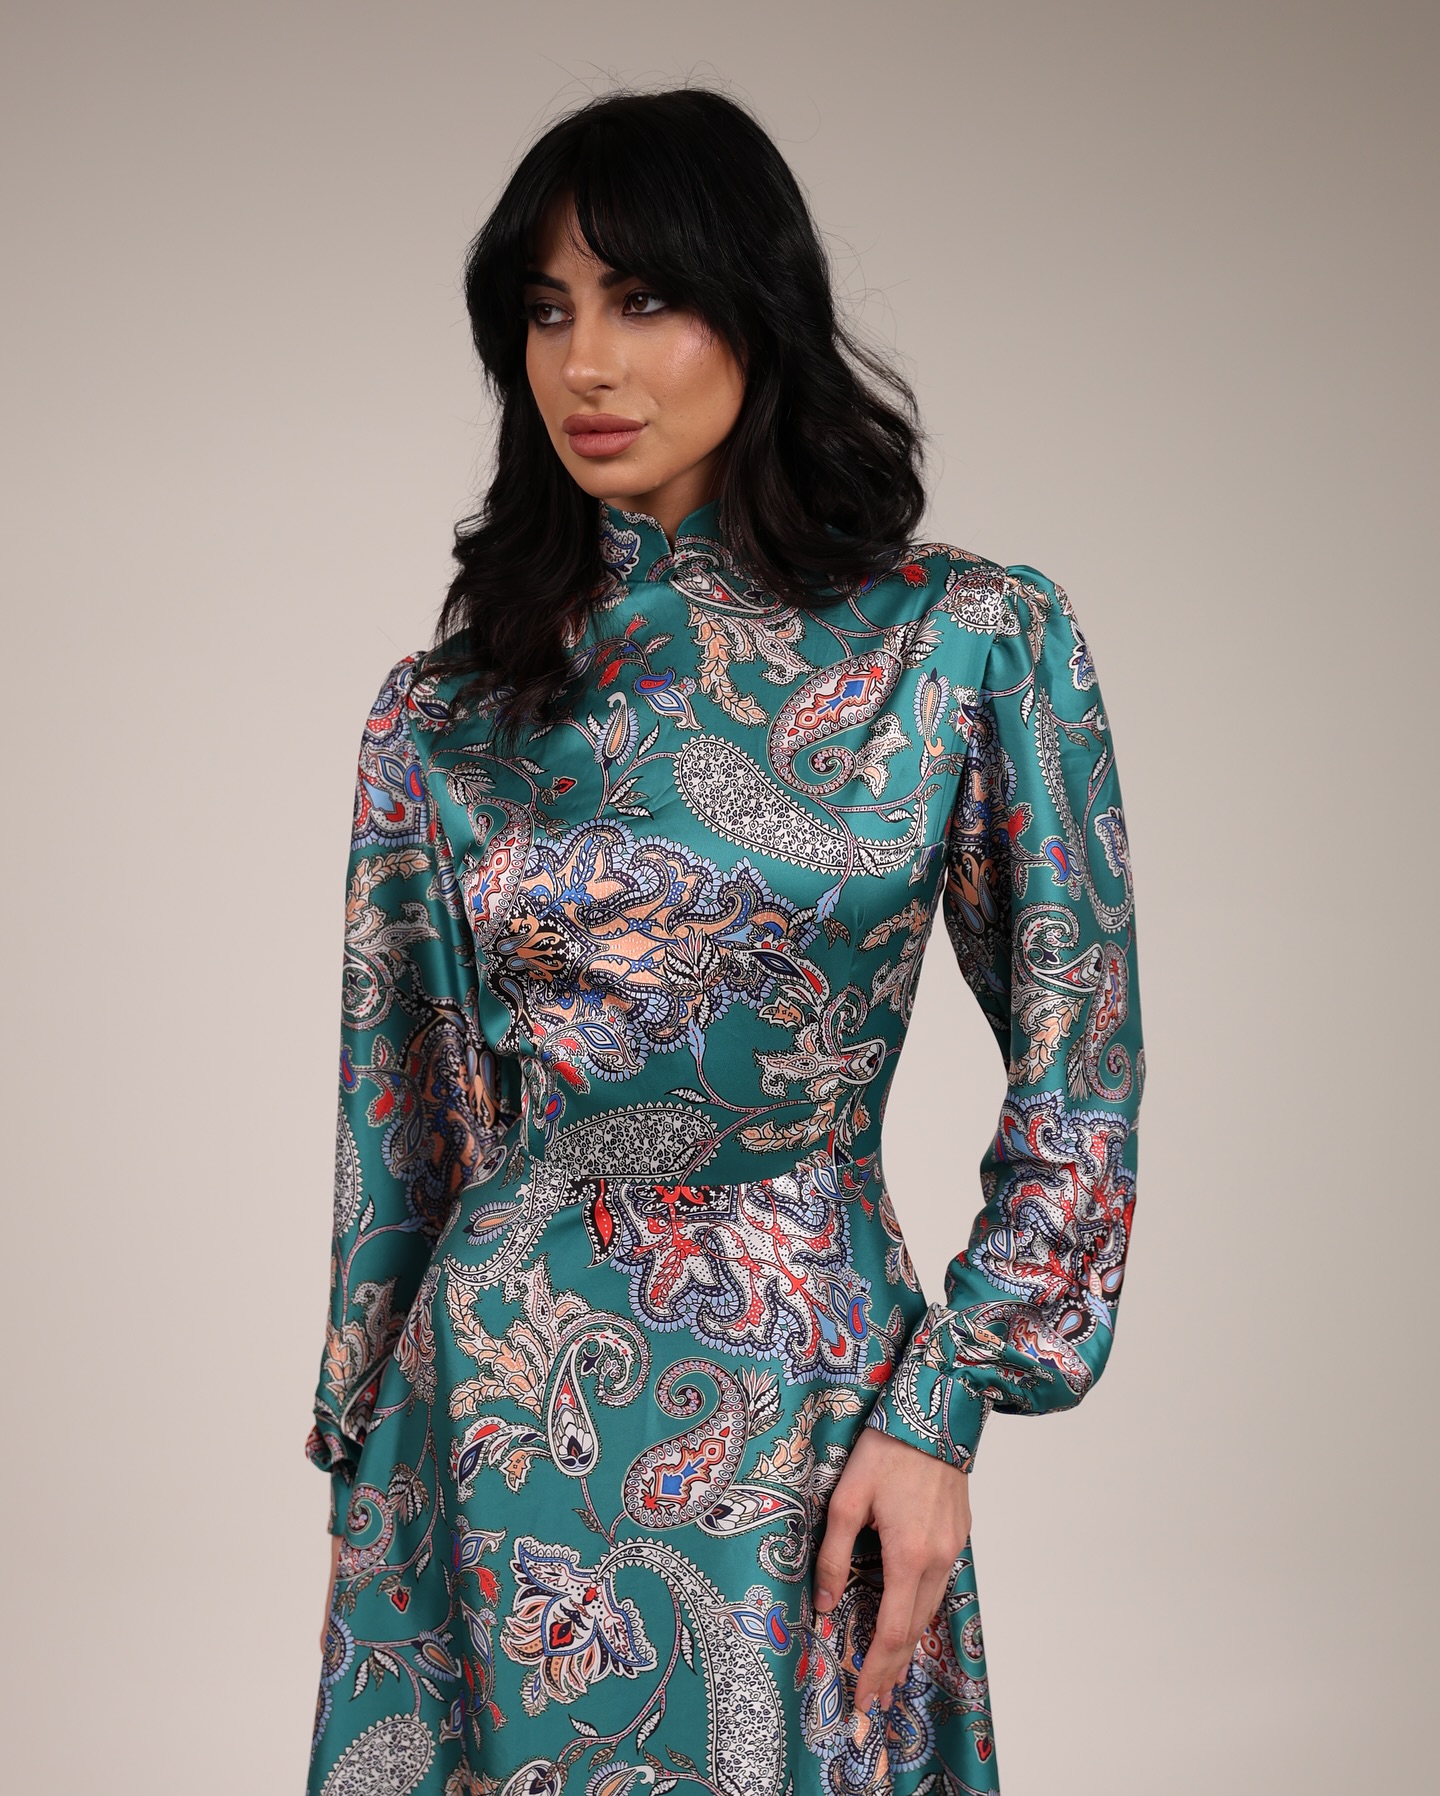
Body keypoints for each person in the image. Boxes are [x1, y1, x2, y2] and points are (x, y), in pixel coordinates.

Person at [304, 85, 1144, 1796]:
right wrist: (367, 1458)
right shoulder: (444, 714)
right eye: (546, 311)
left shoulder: (966, 645)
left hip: (810, 1388)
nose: (585, 364)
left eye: (642, 299)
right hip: (492, 1409)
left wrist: (947, 1402)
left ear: (759, 310)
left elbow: (1085, 1064)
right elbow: (406, 1129)